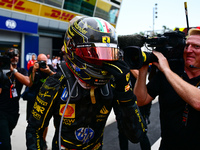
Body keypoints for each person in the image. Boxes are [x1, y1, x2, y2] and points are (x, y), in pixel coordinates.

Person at [26, 16, 147, 150]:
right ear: (72, 49)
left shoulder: (112, 83)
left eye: (107, 54)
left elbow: (136, 136)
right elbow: (34, 129)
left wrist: (125, 92)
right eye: (94, 54)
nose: (102, 61)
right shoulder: (56, 82)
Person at [134, 28, 200, 150]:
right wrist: (142, 70)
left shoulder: (168, 71)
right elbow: (140, 100)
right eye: (187, 46)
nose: (189, 50)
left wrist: (167, 70)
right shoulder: (169, 72)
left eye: (196, 46)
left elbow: (198, 102)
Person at [0, 48, 30, 150]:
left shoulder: (21, 71)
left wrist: (14, 71)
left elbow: (28, 82)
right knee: (5, 145)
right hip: (1, 111)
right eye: (12, 55)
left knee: (6, 135)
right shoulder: (1, 71)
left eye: (17, 55)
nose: (15, 57)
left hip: (13, 112)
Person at [114, 69, 151, 150]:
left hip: (136, 102)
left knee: (141, 132)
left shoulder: (132, 62)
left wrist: (128, 65)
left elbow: (140, 77)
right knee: (122, 131)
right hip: (120, 102)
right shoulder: (117, 64)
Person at [25, 53, 55, 150]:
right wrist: (33, 70)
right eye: (40, 61)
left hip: (46, 100)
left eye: (44, 62)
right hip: (33, 100)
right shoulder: (33, 68)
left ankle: (43, 140)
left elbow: (58, 80)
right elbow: (30, 83)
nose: (43, 63)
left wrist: (49, 71)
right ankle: (34, 141)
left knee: (45, 123)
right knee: (31, 122)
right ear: (36, 61)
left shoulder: (50, 68)